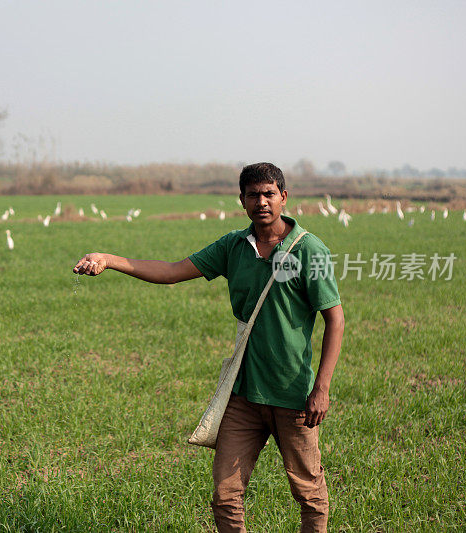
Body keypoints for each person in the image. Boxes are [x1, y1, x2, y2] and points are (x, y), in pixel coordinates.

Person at [73, 162, 344, 532]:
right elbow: (170, 271)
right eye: (253, 195)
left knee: (308, 493)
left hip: (292, 395)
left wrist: (322, 389)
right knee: (225, 495)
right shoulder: (233, 246)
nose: (261, 202)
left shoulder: (310, 251)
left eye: (268, 194)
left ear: (284, 197)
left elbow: (335, 319)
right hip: (244, 394)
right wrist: (109, 259)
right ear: (242, 200)